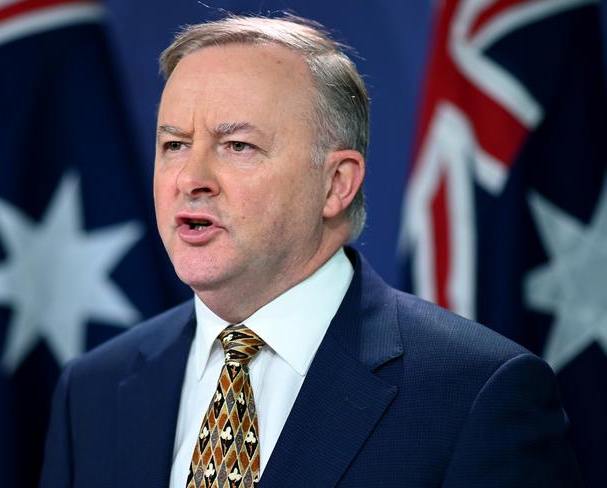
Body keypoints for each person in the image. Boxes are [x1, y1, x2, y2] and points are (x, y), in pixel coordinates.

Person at [40, 14, 582, 488]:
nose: (191, 178)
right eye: (174, 144)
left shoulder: (476, 394)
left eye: (237, 146)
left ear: (336, 184)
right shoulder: (91, 391)